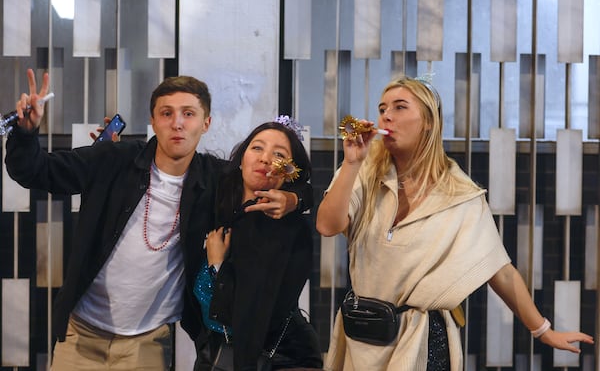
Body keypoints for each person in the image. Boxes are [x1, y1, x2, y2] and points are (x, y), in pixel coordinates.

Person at [4, 69, 313, 370]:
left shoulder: (216, 179)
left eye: (189, 114)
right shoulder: (113, 160)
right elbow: (36, 171)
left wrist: (294, 198)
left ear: (206, 123)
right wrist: (26, 133)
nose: (177, 123)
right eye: (166, 113)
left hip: (148, 343)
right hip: (81, 334)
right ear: (153, 121)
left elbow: (284, 181)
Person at [315, 76, 594, 370]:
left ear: (428, 122)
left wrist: (543, 330)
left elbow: (499, 269)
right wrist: (351, 164)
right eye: (382, 108)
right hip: (365, 334)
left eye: (399, 107)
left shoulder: (460, 194)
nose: (386, 115)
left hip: (425, 339)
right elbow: (327, 225)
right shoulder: (364, 171)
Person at [193, 120, 323, 370]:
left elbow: (248, 310)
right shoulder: (218, 198)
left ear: (289, 172)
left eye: (279, 155)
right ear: (241, 158)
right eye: (257, 148)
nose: (265, 159)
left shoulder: (285, 227)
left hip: (281, 356)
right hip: (219, 350)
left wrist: (217, 266)